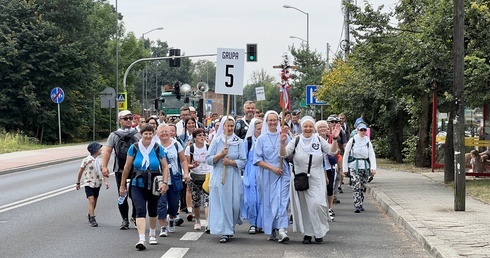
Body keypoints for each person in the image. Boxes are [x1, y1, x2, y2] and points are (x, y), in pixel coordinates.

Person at [279, 116, 340, 244]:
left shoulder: (318, 139)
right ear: (302, 128)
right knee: (304, 207)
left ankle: (319, 231)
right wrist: (282, 143)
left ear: (314, 128)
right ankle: (308, 234)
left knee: (318, 205)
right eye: (305, 126)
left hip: (316, 178)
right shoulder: (296, 140)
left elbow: (332, 151)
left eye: (310, 126)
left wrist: (334, 139)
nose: (307, 129)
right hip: (300, 179)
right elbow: (284, 154)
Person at [119, 124, 170, 250]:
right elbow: (127, 167)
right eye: (145, 134)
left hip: (154, 183)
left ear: (153, 135)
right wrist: (122, 185)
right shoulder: (134, 147)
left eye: (150, 134)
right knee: (140, 209)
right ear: (141, 135)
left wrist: (164, 182)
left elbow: (165, 167)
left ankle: (152, 234)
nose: (148, 136)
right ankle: (142, 239)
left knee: (152, 210)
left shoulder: (158, 147)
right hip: (137, 183)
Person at [206, 116, 246, 243]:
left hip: (233, 176)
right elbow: (208, 159)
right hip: (219, 175)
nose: (229, 128)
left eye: (231, 126)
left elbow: (243, 161)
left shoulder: (239, 142)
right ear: (222, 126)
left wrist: (231, 162)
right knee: (222, 204)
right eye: (226, 126)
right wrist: (220, 155)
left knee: (234, 204)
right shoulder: (217, 141)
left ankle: (231, 227)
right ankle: (225, 231)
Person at [254, 111, 291, 243]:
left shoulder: (285, 136)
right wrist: (272, 168)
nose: (273, 122)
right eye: (270, 120)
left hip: (283, 171)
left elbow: (289, 155)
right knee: (270, 201)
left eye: (275, 120)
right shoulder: (261, 139)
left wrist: (283, 143)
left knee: (282, 200)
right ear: (266, 122)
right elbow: (257, 160)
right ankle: (272, 229)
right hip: (267, 173)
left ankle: (282, 228)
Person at [101, 110, 140, 230]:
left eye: (130, 118)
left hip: (136, 169)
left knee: (135, 194)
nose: (128, 120)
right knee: (122, 194)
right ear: (120, 120)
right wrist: (104, 166)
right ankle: (124, 219)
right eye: (125, 118)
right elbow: (107, 151)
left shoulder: (137, 133)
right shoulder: (114, 135)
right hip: (120, 169)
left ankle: (134, 216)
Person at [156, 124, 190, 236]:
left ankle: (171, 218)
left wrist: (186, 173)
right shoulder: (155, 145)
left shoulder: (176, 144)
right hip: (160, 179)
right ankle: (163, 227)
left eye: (166, 131)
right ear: (158, 134)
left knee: (174, 204)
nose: (164, 134)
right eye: (162, 132)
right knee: (161, 204)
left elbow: (183, 160)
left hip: (174, 178)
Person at [342, 123, 377, 213]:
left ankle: (360, 201)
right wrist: (345, 168)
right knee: (356, 184)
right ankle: (357, 204)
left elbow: (371, 154)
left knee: (362, 185)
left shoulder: (367, 141)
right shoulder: (352, 140)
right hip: (354, 165)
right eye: (361, 130)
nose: (363, 132)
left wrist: (373, 167)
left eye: (364, 130)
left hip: (365, 166)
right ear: (357, 131)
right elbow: (346, 154)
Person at [76, 142, 109, 227]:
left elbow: (103, 171)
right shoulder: (86, 160)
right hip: (88, 183)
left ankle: (90, 214)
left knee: (95, 201)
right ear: (94, 150)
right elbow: (80, 171)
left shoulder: (100, 161)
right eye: (99, 148)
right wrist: (78, 182)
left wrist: (106, 181)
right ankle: (93, 218)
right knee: (91, 200)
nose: (101, 150)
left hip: (97, 183)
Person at [185, 128, 212, 231]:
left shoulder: (208, 147)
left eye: (203, 135)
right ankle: (197, 220)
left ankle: (208, 222)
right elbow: (187, 164)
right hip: (195, 176)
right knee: (196, 201)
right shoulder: (190, 149)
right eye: (199, 135)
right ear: (194, 138)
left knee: (207, 200)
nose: (202, 137)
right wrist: (192, 165)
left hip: (207, 175)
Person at [243, 118, 263, 234]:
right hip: (250, 171)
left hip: (262, 170)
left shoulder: (264, 140)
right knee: (251, 199)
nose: (260, 131)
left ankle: (260, 223)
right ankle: (252, 222)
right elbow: (244, 158)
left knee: (261, 199)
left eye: (262, 129)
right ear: (253, 129)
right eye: (258, 129)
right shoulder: (248, 141)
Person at [315, 120, 336, 221]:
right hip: (319, 169)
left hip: (330, 167)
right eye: (320, 127)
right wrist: (324, 175)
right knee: (321, 190)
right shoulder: (314, 140)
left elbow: (335, 152)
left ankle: (329, 208)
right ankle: (321, 211)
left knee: (330, 188)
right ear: (317, 129)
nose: (323, 129)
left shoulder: (331, 138)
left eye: (325, 127)